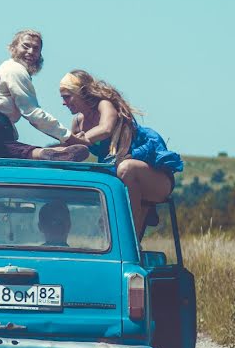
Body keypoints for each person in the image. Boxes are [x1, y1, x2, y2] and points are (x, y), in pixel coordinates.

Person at [58, 70, 183, 236]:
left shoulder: (104, 105)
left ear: (80, 93)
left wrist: (78, 139)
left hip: (154, 177)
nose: (63, 103)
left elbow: (106, 128)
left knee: (126, 168)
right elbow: (71, 153)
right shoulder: (78, 122)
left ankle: (130, 236)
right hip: (121, 179)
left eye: (67, 96)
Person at [0, 29, 89, 161]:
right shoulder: (15, 69)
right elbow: (33, 113)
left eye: (36, 49)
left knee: (9, 147)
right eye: (26, 46)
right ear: (13, 48)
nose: (31, 52)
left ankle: (46, 154)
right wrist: (71, 138)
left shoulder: (22, 73)